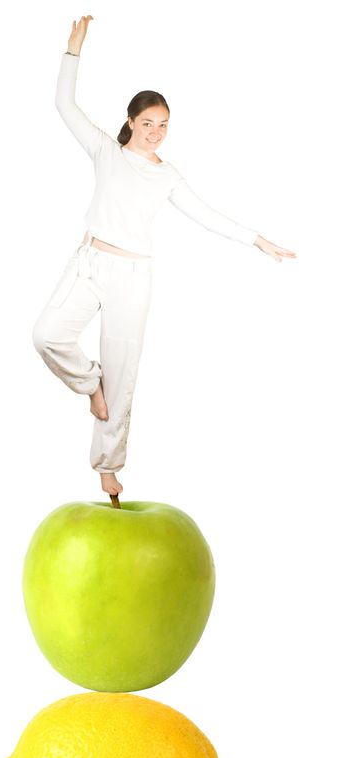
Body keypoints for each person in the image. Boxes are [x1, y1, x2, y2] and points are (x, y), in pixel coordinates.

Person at [32, 15, 296, 496]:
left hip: (133, 275)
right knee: (47, 335)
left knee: (125, 371)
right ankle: (91, 384)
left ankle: (108, 466)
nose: (156, 132)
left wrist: (256, 238)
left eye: (164, 126)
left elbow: (207, 214)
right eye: (148, 123)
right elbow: (63, 103)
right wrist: (73, 51)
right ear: (131, 121)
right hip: (89, 262)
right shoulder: (105, 150)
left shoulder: (168, 175)